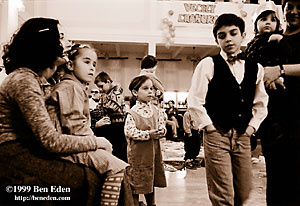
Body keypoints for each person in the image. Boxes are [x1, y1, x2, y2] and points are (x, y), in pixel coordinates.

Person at [0, 17, 133, 206]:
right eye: (61, 37)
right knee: (91, 177)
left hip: (27, 151)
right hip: (14, 157)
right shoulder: (24, 80)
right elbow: (51, 141)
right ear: (45, 43)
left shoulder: (39, 80)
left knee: (108, 170)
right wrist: (95, 142)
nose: (67, 44)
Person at [187, 13, 268, 206]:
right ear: (217, 40)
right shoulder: (208, 64)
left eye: (233, 33)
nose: (228, 39)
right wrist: (209, 127)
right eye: (222, 36)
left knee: (244, 190)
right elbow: (195, 100)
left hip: (243, 135)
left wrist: (251, 128)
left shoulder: (255, 67)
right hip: (217, 135)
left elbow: (261, 103)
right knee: (223, 194)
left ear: (243, 35)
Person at [46, 44, 128, 205]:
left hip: (71, 140)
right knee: (117, 166)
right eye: (86, 62)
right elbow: (74, 125)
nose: (92, 68)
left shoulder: (74, 87)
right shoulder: (71, 87)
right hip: (67, 144)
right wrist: (95, 142)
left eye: (94, 64)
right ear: (70, 65)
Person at [256, 0, 300, 204]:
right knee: (275, 181)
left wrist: (280, 70)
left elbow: (274, 69)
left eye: (299, 7)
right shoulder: (273, 40)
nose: (294, 12)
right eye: (290, 6)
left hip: (297, 121)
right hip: (273, 121)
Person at [125, 75, 167, 206]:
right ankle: (135, 203)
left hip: (153, 154)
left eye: (152, 88)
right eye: (145, 88)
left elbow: (162, 125)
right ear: (135, 92)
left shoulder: (156, 110)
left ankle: (152, 203)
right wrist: (149, 134)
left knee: (151, 179)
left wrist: (162, 131)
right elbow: (130, 132)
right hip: (138, 156)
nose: (150, 91)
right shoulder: (132, 112)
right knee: (136, 182)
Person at [92, 71, 128, 162]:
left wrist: (97, 112)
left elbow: (111, 107)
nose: (100, 89)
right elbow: (99, 107)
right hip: (110, 124)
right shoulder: (104, 94)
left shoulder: (117, 92)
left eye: (101, 86)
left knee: (120, 150)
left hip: (118, 125)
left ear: (108, 82)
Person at [182, 101, 203, 170]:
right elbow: (186, 124)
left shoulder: (196, 114)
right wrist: (188, 132)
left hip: (196, 131)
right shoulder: (187, 114)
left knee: (196, 146)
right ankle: (188, 159)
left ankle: (193, 157)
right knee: (190, 146)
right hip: (190, 132)